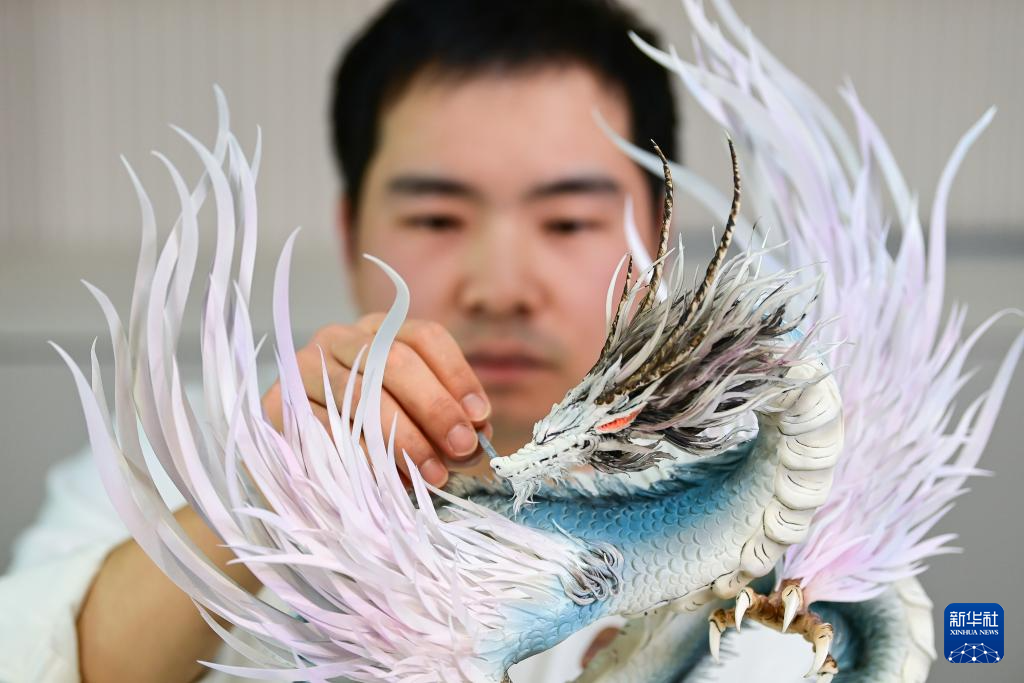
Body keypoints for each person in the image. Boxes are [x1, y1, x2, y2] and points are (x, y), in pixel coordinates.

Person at [0, 1, 678, 681]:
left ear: (658, 236)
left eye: (567, 222)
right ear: (351, 235)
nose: (500, 289)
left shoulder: (743, 482)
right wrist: (260, 494)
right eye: (437, 219)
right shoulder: (168, 454)